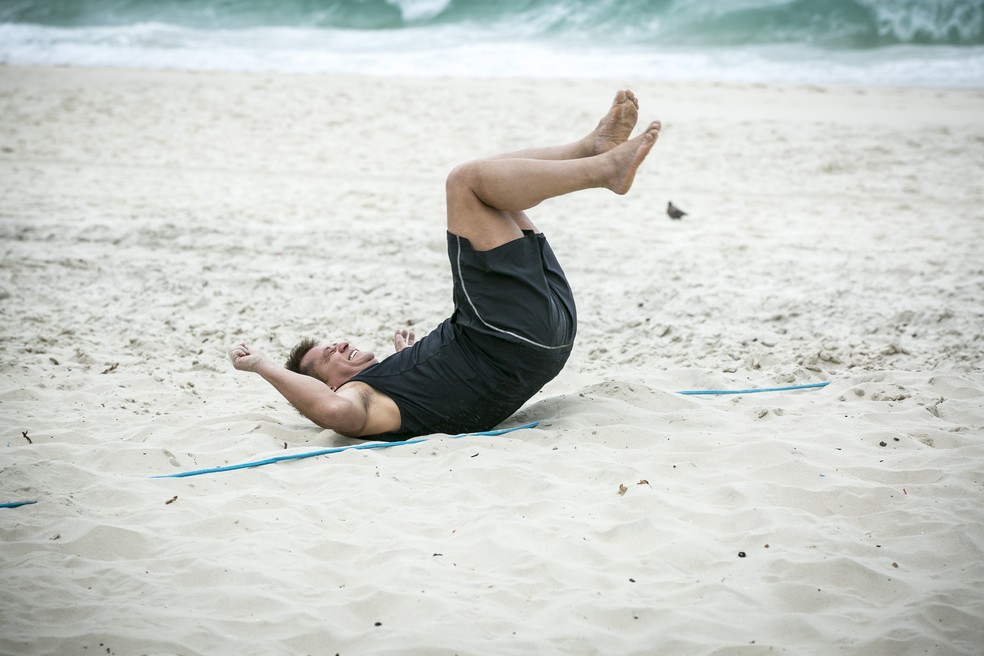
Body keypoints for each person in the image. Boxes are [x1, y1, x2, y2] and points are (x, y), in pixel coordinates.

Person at [228, 90, 660, 440]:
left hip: (545, 334)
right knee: (465, 183)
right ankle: (601, 167)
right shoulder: (357, 399)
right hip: (508, 336)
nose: (339, 343)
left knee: (488, 185)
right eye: (328, 355)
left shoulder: (389, 387)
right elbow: (331, 412)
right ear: (329, 384)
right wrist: (261, 365)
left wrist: (413, 360)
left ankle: (591, 149)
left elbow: (443, 395)